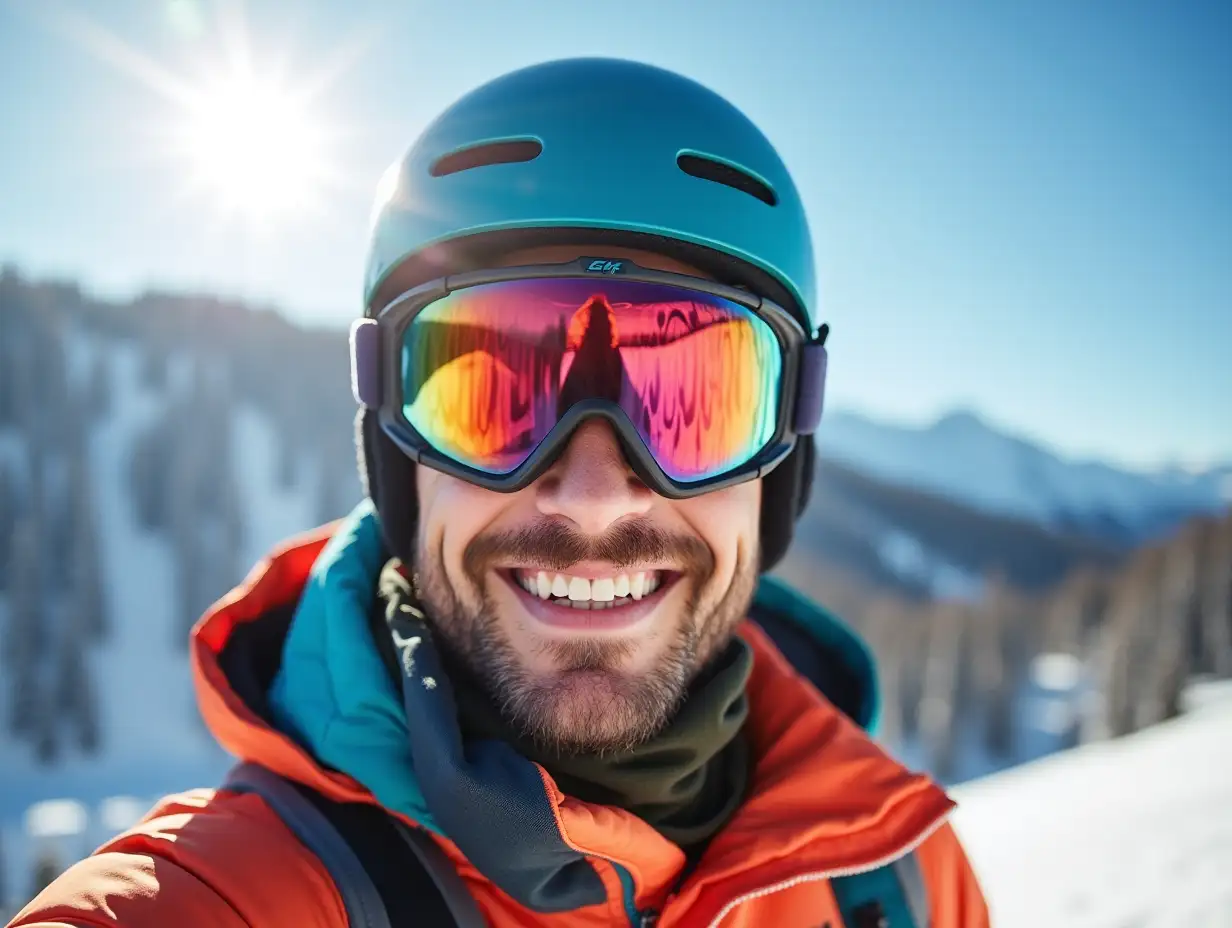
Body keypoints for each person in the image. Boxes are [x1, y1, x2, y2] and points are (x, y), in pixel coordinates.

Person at [9, 58, 990, 927]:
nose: (595, 498)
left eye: (692, 396)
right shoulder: (231, 898)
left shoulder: (898, 877)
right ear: (399, 461)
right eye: (495, 390)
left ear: (782, 465)